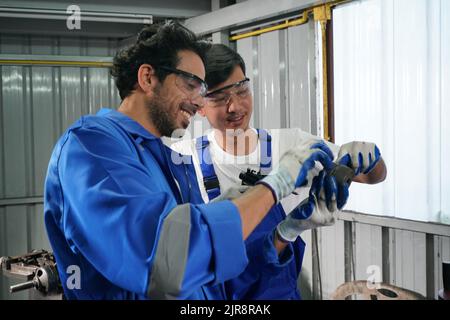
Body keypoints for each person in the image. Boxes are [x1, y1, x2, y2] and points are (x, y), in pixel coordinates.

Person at [43, 22, 335, 300]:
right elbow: (166, 262)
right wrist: (274, 186)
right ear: (148, 78)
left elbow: (209, 273)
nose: (198, 102)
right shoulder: (91, 147)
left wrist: (283, 234)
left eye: (203, 90)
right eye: (191, 84)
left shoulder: (166, 161)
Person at [169, 43, 387, 299]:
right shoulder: (184, 159)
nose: (234, 107)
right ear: (200, 105)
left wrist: (370, 158)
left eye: (241, 91)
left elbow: (371, 176)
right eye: (218, 98)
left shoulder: (292, 145)